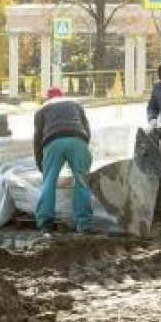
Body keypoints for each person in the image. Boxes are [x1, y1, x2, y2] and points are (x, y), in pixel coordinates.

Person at [33, 85, 94, 233]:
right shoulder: (75, 103)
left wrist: (41, 165)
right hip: (78, 139)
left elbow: (37, 140)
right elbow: (87, 129)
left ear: (47, 98)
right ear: (62, 95)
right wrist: (82, 150)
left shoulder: (42, 109)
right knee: (81, 181)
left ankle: (45, 224)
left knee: (49, 182)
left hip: (53, 142)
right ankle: (83, 224)